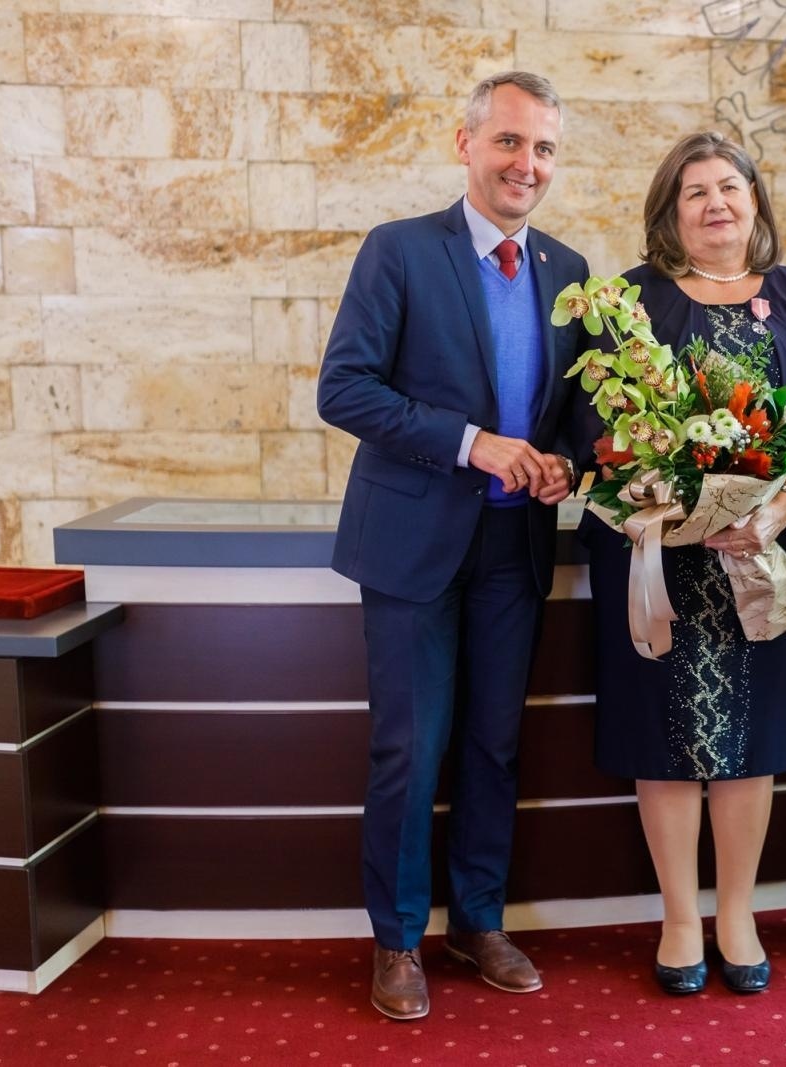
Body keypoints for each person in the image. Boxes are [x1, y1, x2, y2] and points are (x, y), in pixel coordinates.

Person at [316, 71, 588, 1021]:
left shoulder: (570, 271)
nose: (527, 164)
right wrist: (474, 443)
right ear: (465, 144)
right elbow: (343, 390)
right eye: (510, 142)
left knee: (493, 746)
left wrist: (564, 463)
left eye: (544, 147)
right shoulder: (398, 252)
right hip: (412, 546)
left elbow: (575, 418)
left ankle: (477, 920)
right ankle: (397, 940)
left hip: (514, 550)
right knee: (410, 746)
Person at [578, 132, 786, 996]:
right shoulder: (630, 299)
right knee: (663, 736)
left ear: (756, 201)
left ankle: (737, 910)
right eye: (695, 192)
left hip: (763, 552)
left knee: (751, 735)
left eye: (730, 187)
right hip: (663, 556)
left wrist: (778, 508)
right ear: (670, 212)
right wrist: (658, 498)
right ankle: (679, 916)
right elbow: (594, 432)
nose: (716, 204)